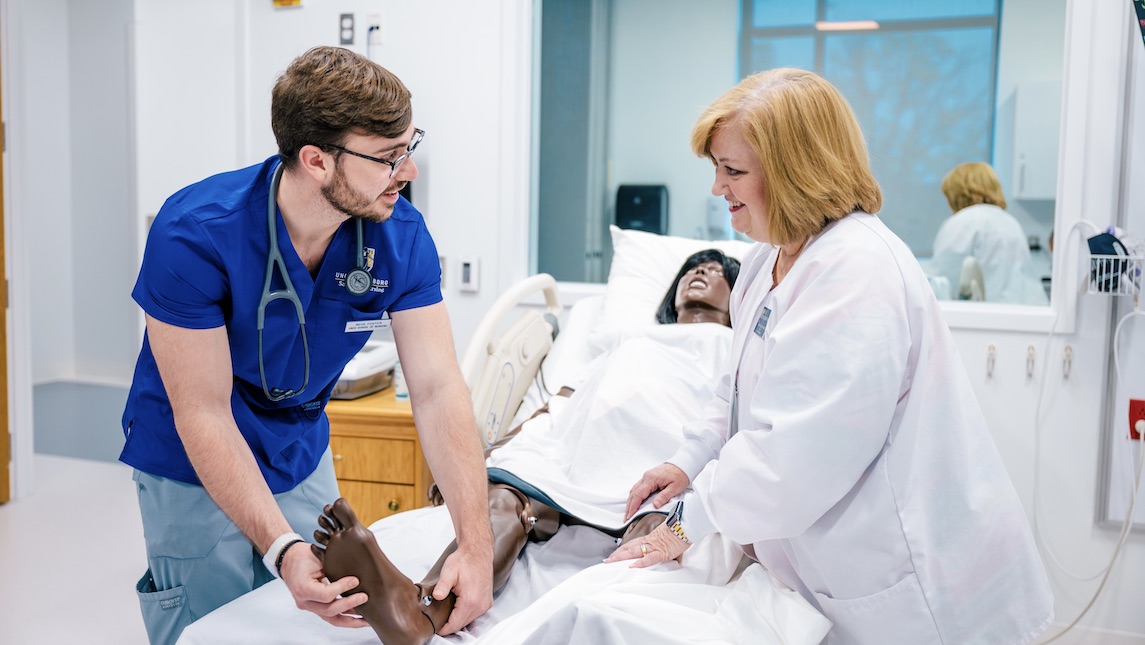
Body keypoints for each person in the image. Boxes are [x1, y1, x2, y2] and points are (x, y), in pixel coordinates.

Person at [609, 68, 1054, 644]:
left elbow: (792, 458)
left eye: (733, 170)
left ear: (797, 171)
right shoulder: (766, 264)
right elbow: (736, 392)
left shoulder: (856, 271)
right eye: (715, 168)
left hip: (912, 584)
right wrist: (687, 460)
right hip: (830, 568)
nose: (717, 188)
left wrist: (685, 524)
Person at [119, 46, 493, 645]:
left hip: (299, 448)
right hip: (189, 458)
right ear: (317, 159)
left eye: (410, 146)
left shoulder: (398, 237)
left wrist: (477, 546)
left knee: (320, 622)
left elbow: (437, 386)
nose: (410, 171)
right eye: (389, 157)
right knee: (211, 628)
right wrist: (281, 549)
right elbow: (203, 412)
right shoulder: (193, 233)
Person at [311, 249, 740, 645]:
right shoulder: (631, 339)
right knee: (503, 500)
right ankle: (421, 609)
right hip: (586, 442)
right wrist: (484, 458)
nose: (699, 273)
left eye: (714, 270)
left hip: (665, 454)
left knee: (658, 536)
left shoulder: (737, 349)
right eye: (691, 269)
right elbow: (565, 401)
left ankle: (598, 619)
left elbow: (734, 423)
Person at [928, 161, 1049, 305]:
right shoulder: (1009, 221)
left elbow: (943, 281)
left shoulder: (964, 221)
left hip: (988, 314)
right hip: (1027, 310)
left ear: (958, 193)